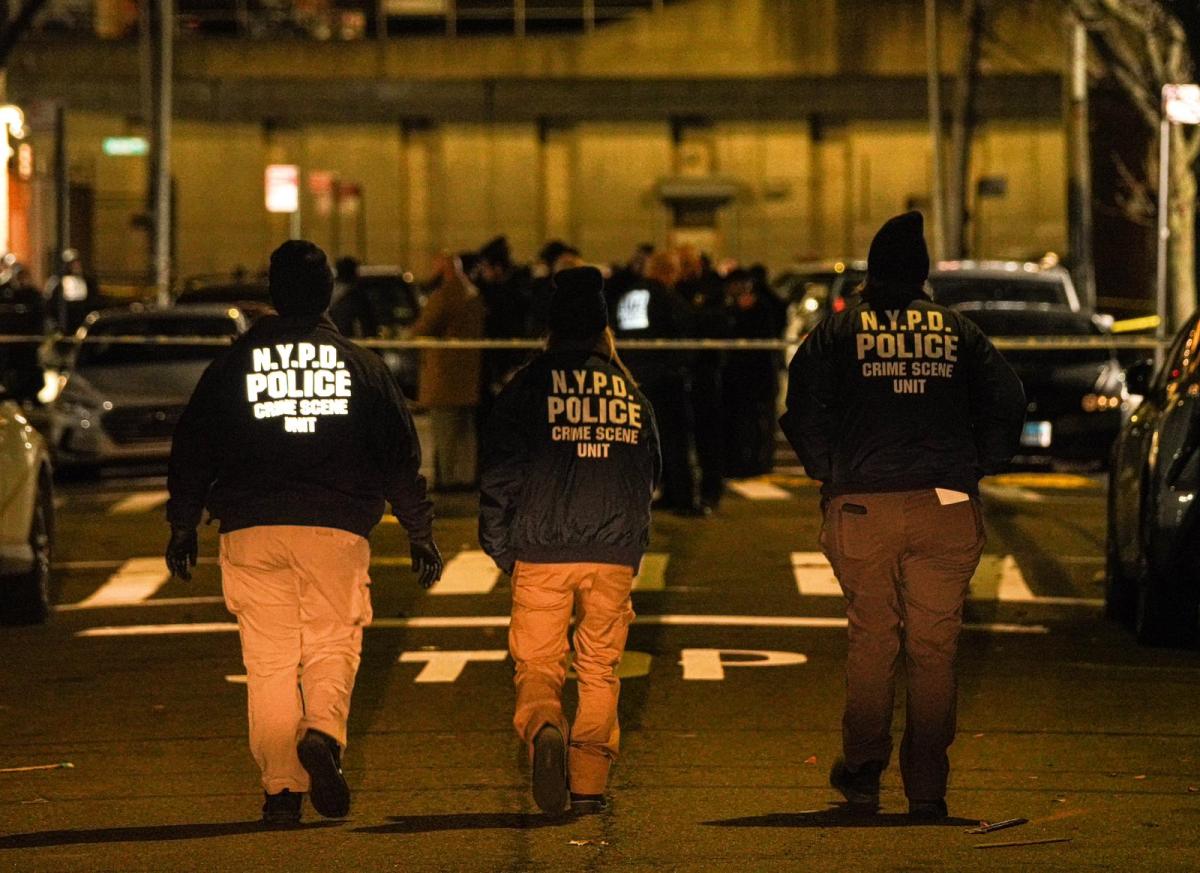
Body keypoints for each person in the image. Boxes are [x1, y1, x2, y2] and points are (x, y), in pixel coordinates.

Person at [165, 239, 444, 826]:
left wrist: (183, 522)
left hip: (251, 528)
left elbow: (194, 446)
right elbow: (399, 455)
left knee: (268, 663)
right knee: (332, 643)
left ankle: (281, 791)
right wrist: (419, 530)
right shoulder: (359, 366)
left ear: (273, 292)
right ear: (326, 296)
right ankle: (321, 733)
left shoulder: (235, 365)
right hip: (336, 529)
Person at [780, 211, 1025, 820]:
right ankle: (926, 787)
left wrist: (828, 469)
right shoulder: (958, 332)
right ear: (921, 276)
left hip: (863, 502)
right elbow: (1007, 399)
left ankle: (863, 771)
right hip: (945, 502)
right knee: (934, 648)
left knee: (872, 640)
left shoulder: (841, 334)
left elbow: (802, 404)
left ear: (872, 272)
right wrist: (976, 463)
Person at [479, 266, 660, 816]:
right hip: (612, 552)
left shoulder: (529, 385)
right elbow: (648, 473)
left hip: (542, 547)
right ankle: (587, 783)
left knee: (538, 664)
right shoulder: (628, 390)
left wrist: (500, 545)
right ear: (603, 328)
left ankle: (544, 727)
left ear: (552, 328)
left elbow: (500, 470)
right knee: (600, 668)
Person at [611, 250, 700, 515]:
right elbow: (686, 327)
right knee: (674, 439)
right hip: (664, 377)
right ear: (667, 271)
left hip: (634, 376)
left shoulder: (627, 296)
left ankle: (660, 492)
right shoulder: (666, 296)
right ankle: (683, 498)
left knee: (645, 441)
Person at [409, 251, 486, 490]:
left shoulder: (446, 295)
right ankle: (465, 476)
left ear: (445, 269)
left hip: (445, 375)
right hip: (469, 373)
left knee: (445, 430)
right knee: (465, 431)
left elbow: (426, 325)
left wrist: (407, 333)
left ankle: (448, 479)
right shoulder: (472, 292)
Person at [45, 249, 99, 334]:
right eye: (71, 264)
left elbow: (94, 301)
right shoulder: (57, 282)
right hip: (64, 325)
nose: (75, 266)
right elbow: (50, 304)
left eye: (77, 262)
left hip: (83, 324)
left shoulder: (88, 281)